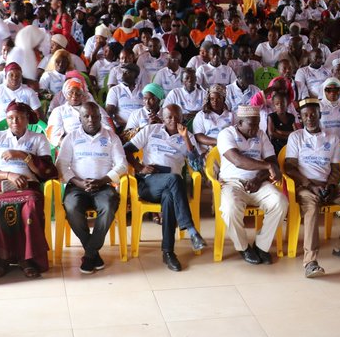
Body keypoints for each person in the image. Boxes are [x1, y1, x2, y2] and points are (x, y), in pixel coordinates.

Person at [0, 102, 56, 278]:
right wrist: (8, 175)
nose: (14, 121)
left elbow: (47, 170)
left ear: (27, 119)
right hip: (0, 185)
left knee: (30, 207)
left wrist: (23, 156)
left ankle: (27, 259)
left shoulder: (38, 139)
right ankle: (0, 258)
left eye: (19, 117)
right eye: (10, 117)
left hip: (28, 186)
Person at [283, 98, 340, 278]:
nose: (309, 118)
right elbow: (289, 168)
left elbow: (336, 169)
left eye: (313, 114)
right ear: (301, 118)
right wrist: (311, 186)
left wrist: (331, 185)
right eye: (305, 115)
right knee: (311, 209)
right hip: (306, 186)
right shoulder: (296, 137)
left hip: (328, 185)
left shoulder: (332, 138)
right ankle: (310, 261)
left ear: (320, 115)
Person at [124, 104, 209, 271]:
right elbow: (126, 150)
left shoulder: (187, 135)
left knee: (169, 197)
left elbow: (197, 165)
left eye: (177, 117)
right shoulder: (151, 130)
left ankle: (168, 252)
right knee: (174, 179)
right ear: (163, 118)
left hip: (171, 187)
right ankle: (191, 230)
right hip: (148, 183)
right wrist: (140, 167)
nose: (173, 120)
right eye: (169, 117)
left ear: (182, 118)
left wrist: (185, 139)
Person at [57, 103, 127, 274]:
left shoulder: (111, 137)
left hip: (103, 185)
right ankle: (93, 252)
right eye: (86, 116)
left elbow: (122, 164)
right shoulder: (71, 137)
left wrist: (102, 181)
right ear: (80, 118)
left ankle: (89, 254)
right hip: (77, 186)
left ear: (100, 117)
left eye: (95, 116)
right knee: (71, 207)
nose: (91, 119)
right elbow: (61, 166)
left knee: (109, 205)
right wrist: (79, 182)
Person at [216, 106, 288, 265]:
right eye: (252, 125)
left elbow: (273, 162)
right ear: (239, 122)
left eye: (257, 124)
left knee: (280, 202)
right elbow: (237, 160)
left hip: (259, 183)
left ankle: (261, 246)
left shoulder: (261, 135)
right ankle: (243, 247)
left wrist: (258, 179)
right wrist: (266, 167)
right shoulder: (226, 134)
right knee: (229, 209)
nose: (255, 129)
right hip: (232, 182)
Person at [0, 62, 41, 127]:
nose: (14, 77)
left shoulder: (29, 92)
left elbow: (38, 115)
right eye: (11, 75)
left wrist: (25, 129)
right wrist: (3, 128)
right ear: (5, 76)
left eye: (17, 75)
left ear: (21, 77)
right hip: (2, 128)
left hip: (24, 129)